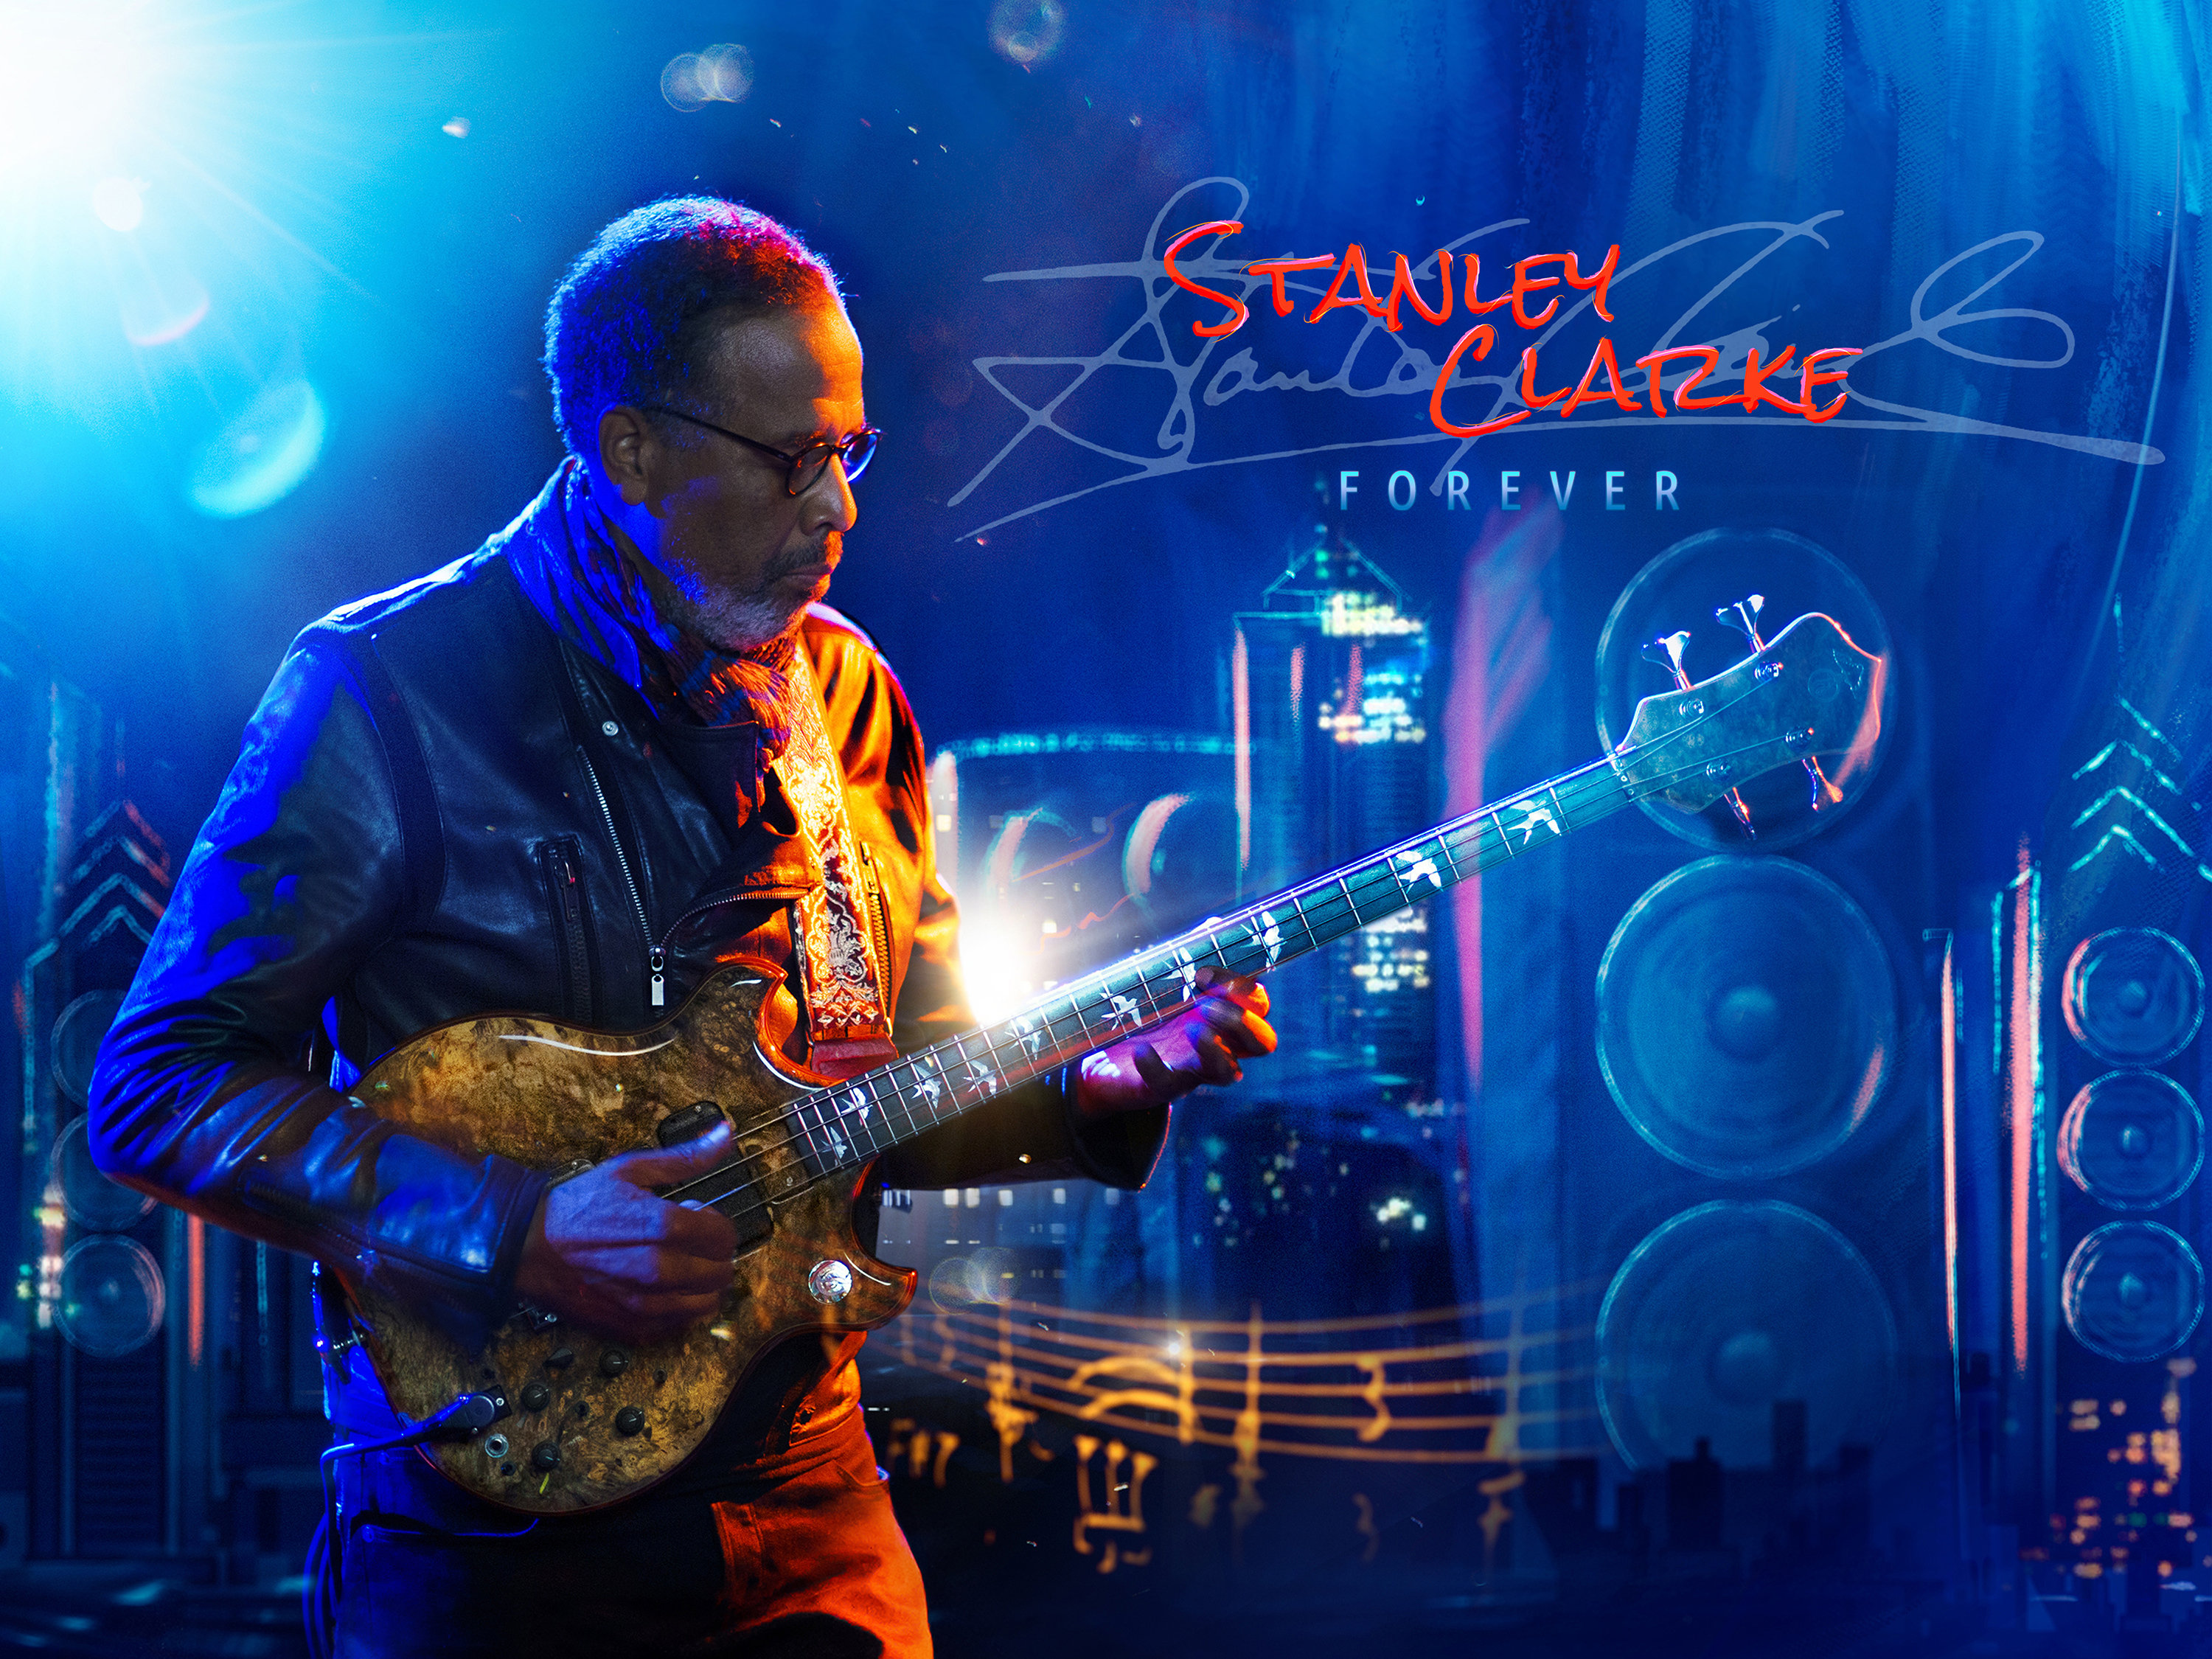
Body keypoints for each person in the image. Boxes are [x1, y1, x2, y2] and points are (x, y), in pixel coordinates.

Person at [88, 198, 1276, 1658]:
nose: (838, 508)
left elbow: (885, 1090)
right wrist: (514, 1229)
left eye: (850, 453)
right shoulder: (384, 691)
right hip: (492, 1544)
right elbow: (156, 1087)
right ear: (634, 451)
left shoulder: (848, 697)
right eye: (792, 459)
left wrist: (1089, 1091)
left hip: (811, 1511)